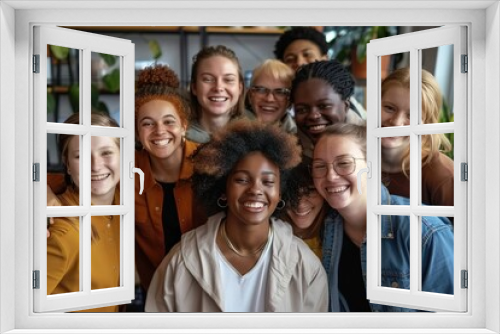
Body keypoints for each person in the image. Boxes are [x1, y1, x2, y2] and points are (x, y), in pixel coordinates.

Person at [145, 120, 328, 312]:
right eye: (242, 179)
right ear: (222, 188)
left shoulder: (305, 266)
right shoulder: (182, 259)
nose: (256, 189)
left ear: (280, 192)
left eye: (268, 181)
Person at [312, 123, 454, 312]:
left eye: (344, 163)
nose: (330, 176)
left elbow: (453, 318)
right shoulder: (326, 225)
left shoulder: (422, 228)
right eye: (320, 166)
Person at [134, 64, 206, 293]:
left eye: (169, 121)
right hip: (154, 293)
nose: (159, 131)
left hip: (207, 289)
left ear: (184, 125)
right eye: (147, 123)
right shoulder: (126, 169)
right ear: (137, 132)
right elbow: (71, 180)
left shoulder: (209, 163)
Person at [47, 112, 121, 312]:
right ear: (68, 165)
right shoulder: (63, 233)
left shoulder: (123, 202)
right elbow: (21, 310)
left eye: (106, 152)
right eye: (80, 156)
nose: (95, 166)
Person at [381, 67, 454, 207]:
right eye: (389, 108)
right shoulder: (358, 154)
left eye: (412, 116)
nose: (396, 123)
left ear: (428, 123)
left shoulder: (441, 176)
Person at [274, 26, 366, 118]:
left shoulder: (342, 98)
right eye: (290, 59)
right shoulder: (276, 104)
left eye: (307, 54)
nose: (299, 62)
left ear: (325, 59)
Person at [291, 59, 365, 160]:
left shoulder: (375, 145)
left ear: (346, 106)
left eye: (324, 106)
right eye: (302, 110)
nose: (313, 115)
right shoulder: (288, 152)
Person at [186, 45, 245, 144]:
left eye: (228, 80)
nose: (218, 87)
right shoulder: (177, 139)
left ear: (239, 88)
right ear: (194, 87)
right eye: (208, 79)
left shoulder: (254, 138)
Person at [279, 162, 327, 258]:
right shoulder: (269, 234)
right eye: (291, 193)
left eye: (310, 190)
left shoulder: (338, 235)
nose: (300, 204)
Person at [245, 59, 296, 133]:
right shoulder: (229, 131)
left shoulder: (300, 139)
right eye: (261, 90)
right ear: (250, 96)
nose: (269, 99)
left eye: (280, 92)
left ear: (290, 101)